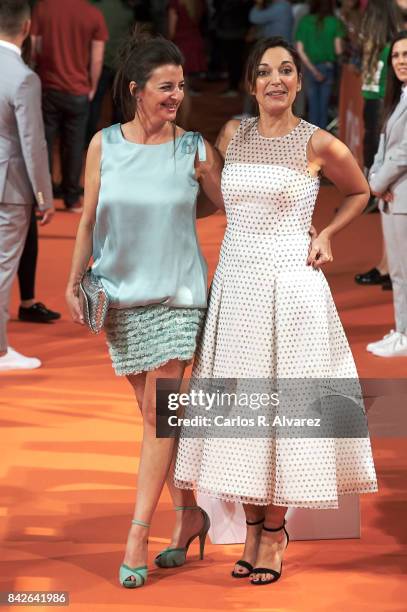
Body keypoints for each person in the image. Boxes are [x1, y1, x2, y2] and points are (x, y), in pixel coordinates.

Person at [173, 36, 378, 585]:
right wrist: (202, 174)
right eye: (265, 72)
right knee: (247, 417)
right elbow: (225, 200)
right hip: (237, 286)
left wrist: (328, 233)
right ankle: (256, 525)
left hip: (291, 290)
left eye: (286, 70)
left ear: (297, 82)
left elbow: (361, 192)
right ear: (250, 83)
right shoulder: (232, 133)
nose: (276, 80)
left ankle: (273, 533)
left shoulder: (319, 143)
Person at [65, 30, 224, 588]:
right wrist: (72, 279)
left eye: (181, 86)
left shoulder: (194, 148)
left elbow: (224, 204)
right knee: (156, 418)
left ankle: (138, 533)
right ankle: (189, 516)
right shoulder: (104, 144)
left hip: (179, 296)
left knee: (161, 415)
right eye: (165, 86)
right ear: (136, 89)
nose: (176, 95)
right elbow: (88, 219)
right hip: (120, 297)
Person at [0, 0, 54, 373]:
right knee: (3, 267)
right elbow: (32, 142)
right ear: (27, 26)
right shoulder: (23, 76)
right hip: (10, 187)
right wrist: (43, 196)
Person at [30, 0, 109, 212]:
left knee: (44, 144)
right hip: (78, 90)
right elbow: (97, 57)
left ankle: (42, 199)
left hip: (48, 87)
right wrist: (92, 85)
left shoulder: (43, 8)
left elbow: (35, 46)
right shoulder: (93, 14)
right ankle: (72, 198)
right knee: (74, 145)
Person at [354, 0, 403, 288]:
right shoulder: (377, 49)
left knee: (390, 192)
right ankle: (387, 264)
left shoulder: (389, 50)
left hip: (383, 113)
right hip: (377, 113)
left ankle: (390, 265)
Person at [367, 30, 407, 358]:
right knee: (397, 269)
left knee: (403, 270)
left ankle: (404, 335)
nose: (401, 61)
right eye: (395, 56)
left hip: (401, 196)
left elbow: (405, 152)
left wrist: (378, 183)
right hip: (393, 194)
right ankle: (402, 330)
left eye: (406, 54)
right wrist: (373, 177)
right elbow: (384, 146)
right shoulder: (399, 97)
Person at [86, 0, 134, 145]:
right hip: (121, 63)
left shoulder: (94, 8)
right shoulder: (127, 10)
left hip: (100, 61)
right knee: (120, 105)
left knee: (94, 103)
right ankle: (118, 141)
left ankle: (88, 140)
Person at [295, 0, 345, 129]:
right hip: (327, 67)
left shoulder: (305, 22)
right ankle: (322, 140)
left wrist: (312, 69)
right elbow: (338, 50)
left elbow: (300, 50)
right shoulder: (335, 22)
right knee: (323, 107)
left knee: (312, 106)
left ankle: (310, 140)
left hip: (310, 68)